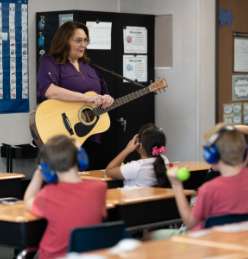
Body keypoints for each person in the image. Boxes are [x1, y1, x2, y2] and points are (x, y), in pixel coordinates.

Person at [36, 21, 114, 169]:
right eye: (78, 40)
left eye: (85, 40)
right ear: (65, 41)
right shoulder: (50, 61)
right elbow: (49, 90)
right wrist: (85, 97)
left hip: (90, 136)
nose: (83, 45)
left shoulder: (89, 67)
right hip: (62, 136)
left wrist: (107, 99)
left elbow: (102, 94)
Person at [152, 124, 248, 240]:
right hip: (241, 244)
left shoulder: (209, 189)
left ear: (212, 155)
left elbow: (190, 223)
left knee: (151, 236)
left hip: (209, 244)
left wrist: (176, 184)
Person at [24, 135, 107, 259]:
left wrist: (38, 175)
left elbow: (28, 201)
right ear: (81, 158)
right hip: (88, 255)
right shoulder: (100, 188)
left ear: (47, 168)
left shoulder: (48, 194)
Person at [105, 123, 170, 187]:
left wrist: (127, 149)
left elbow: (109, 171)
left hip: (130, 197)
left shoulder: (136, 167)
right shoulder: (164, 161)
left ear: (140, 146)